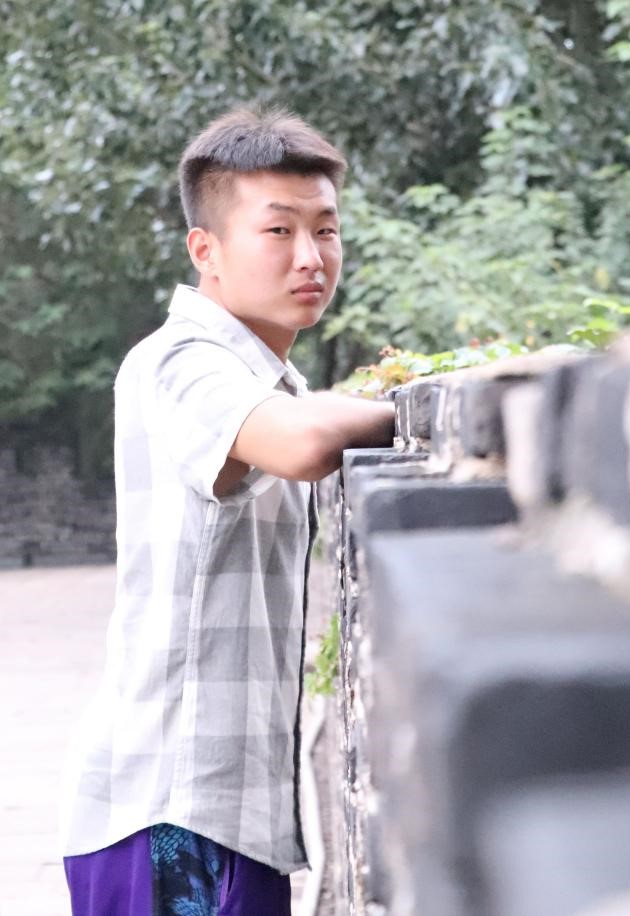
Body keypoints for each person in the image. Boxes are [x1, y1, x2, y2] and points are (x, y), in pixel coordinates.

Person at [59, 107, 395, 916]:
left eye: (325, 230)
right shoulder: (181, 361)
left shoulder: (267, 380)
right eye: (278, 230)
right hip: (173, 818)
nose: (310, 256)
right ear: (204, 249)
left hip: (225, 819)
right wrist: (415, 406)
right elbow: (302, 443)